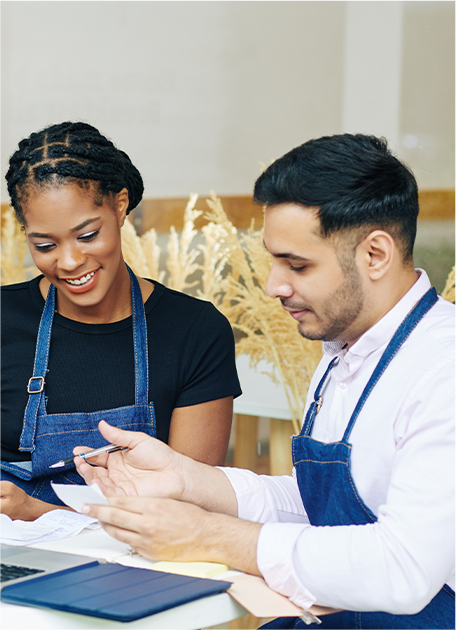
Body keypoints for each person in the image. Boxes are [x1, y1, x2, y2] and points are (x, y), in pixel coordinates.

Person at [76, 134, 454, 629]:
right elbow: (319, 509)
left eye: (297, 265)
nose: (275, 285)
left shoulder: (442, 369)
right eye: (274, 260)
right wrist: (187, 479)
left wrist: (210, 536)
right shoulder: (345, 350)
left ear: (376, 254)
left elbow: (403, 567)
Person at [1, 121, 241, 522]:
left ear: (120, 205)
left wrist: (38, 512)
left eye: (87, 235)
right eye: (44, 245)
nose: (70, 261)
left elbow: (190, 508)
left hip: (135, 562)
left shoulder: (194, 331)